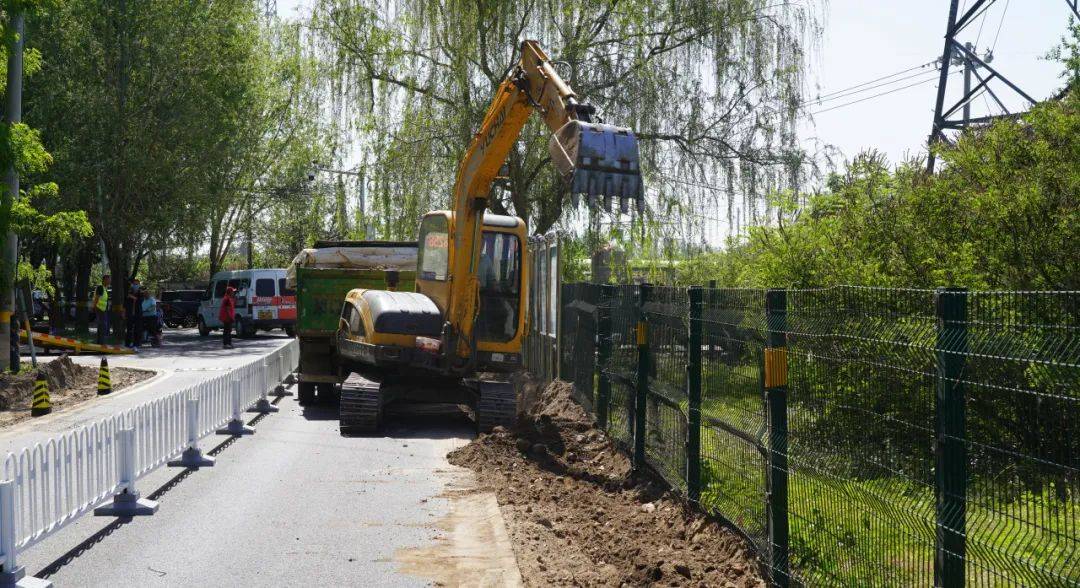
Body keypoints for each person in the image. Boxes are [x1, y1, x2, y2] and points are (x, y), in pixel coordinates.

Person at [92, 274, 111, 345]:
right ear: (105, 280)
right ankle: (101, 342)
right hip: (100, 309)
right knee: (102, 326)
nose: (110, 281)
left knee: (102, 326)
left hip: (103, 309)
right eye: (108, 279)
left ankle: (100, 342)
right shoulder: (100, 287)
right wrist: (94, 307)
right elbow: (97, 298)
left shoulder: (104, 288)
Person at [124, 278, 141, 347]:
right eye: (134, 284)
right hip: (130, 314)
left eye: (137, 284)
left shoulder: (140, 294)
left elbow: (140, 297)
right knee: (129, 329)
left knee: (137, 329)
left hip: (138, 314)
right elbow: (125, 304)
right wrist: (124, 313)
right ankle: (127, 344)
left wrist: (134, 297)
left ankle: (136, 344)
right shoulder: (129, 295)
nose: (135, 285)